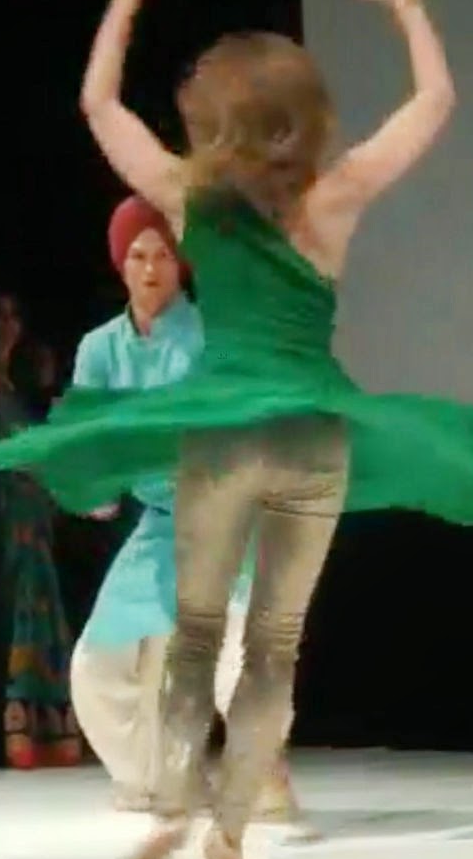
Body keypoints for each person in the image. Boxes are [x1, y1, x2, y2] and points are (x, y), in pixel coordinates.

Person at [0, 0, 473, 859]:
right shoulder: (331, 199)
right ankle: (228, 831)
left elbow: (98, 103)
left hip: (221, 433)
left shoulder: (193, 201)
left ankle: (178, 808)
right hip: (308, 433)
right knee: (270, 646)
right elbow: (434, 101)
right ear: (301, 122)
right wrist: (404, 1)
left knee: (196, 635)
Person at [69, 195, 303, 823]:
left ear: (181, 264)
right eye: (138, 256)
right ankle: (157, 778)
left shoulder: (211, 335)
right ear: (121, 265)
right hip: (159, 525)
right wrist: (94, 485)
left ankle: (264, 768)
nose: (150, 270)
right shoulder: (100, 349)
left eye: (163, 256)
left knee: (235, 652)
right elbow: (89, 438)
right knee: (99, 664)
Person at [0, 293, 81, 769]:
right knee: (19, 611)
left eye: (13, 316)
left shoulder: (17, 391)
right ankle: (17, 720)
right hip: (5, 521)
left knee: (43, 612)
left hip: (36, 522)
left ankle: (48, 723)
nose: (6, 326)